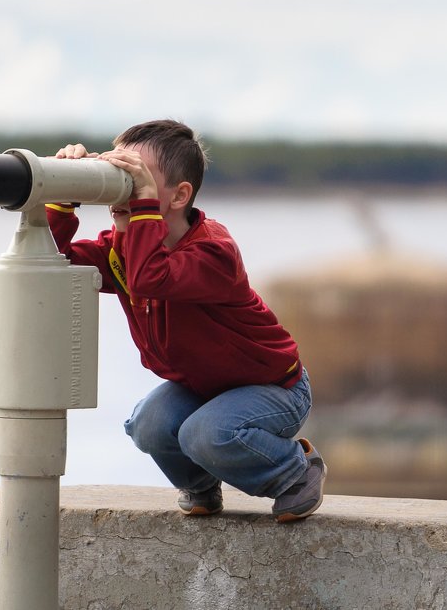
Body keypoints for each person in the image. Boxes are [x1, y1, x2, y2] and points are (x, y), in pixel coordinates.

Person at [46, 119, 325, 522]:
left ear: (179, 196)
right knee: (148, 424)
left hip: (274, 387)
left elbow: (151, 277)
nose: (122, 187)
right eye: (115, 171)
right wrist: (61, 194)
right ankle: (200, 485)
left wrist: (138, 208)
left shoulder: (214, 253)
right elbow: (53, 263)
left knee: (205, 434)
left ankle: (294, 471)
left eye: (135, 177)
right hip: (205, 386)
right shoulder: (123, 248)